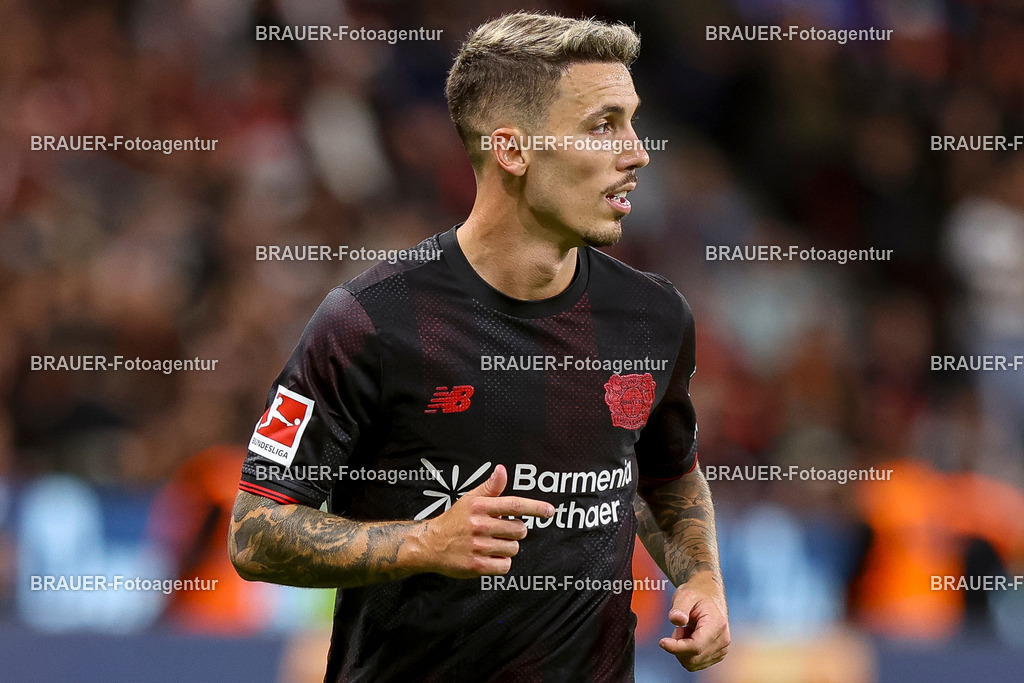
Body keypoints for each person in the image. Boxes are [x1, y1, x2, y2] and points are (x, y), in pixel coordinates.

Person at [229, 12, 729, 681]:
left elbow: (666, 475)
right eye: (603, 125)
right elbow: (255, 532)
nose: (636, 152)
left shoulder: (652, 316)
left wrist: (701, 578)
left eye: (633, 121)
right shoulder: (370, 321)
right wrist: (421, 543)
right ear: (513, 150)